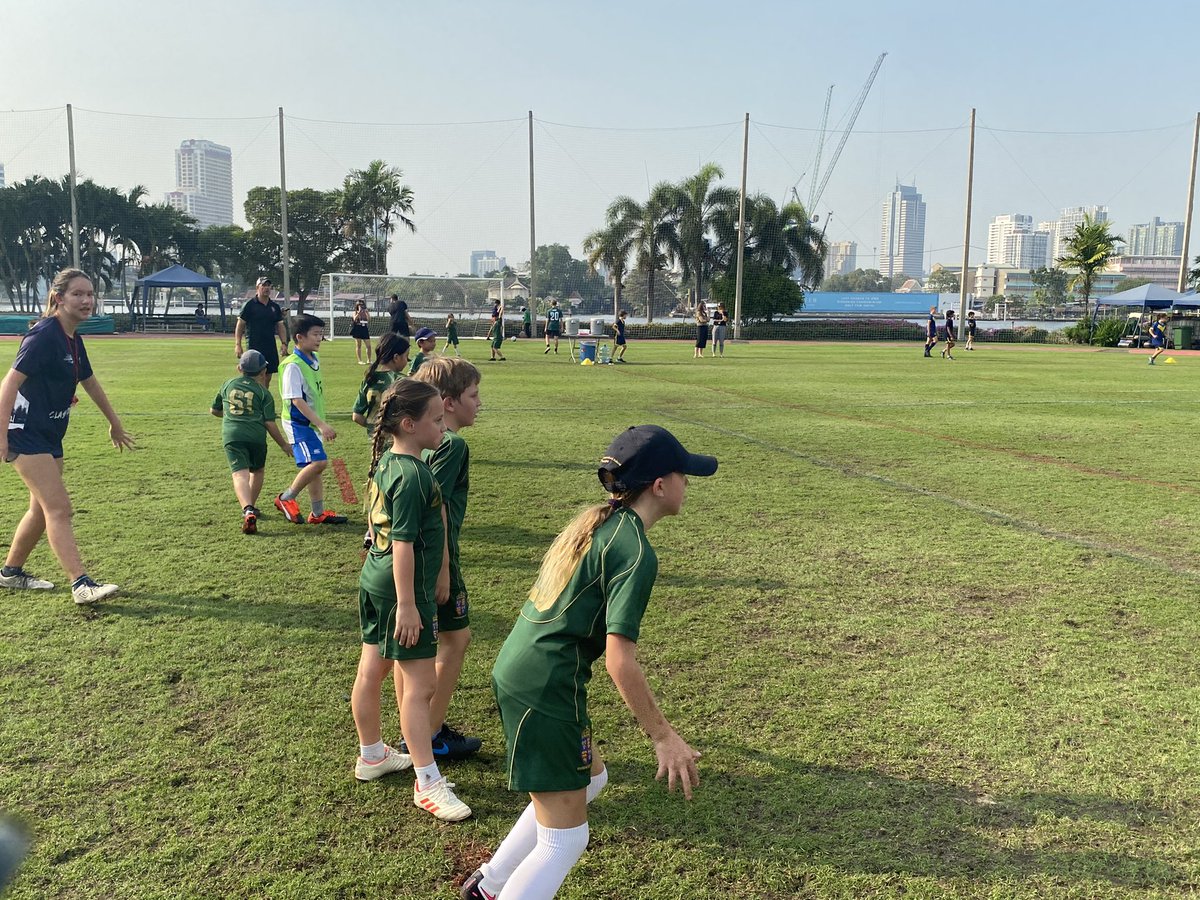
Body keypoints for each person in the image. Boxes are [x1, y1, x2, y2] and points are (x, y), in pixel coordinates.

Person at [461, 425, 716, 900]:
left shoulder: (603, 522)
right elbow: (622, 661)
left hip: (523, 670)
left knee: (592, 777)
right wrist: (664, 736)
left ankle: (490, 884)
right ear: (659, 486)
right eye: (683, 474)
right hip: (545, 685)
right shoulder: (636, 550)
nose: (688, 483)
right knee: (566, 840)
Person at [352, 378, 473, 822]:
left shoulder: (389, 461)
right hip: (400, 590)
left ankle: (372, 755)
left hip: (376, 580)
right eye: (436, 420)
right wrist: (408, 604)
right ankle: (428, 783)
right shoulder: (413, 473)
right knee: (419, 688)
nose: (443, 428)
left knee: (373, 669)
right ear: (409, 423)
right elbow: (403, 543)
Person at [0, 268, 136, 605]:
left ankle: (10, 573)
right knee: (59, 508)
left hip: (49, 434)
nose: (87, 300)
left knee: (41, 509)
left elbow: (89, 382)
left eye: (90, 294)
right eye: (78, 294)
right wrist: (1, 435)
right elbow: (9, 384)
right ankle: (81, 584)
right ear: (59, 298)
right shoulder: (44, 335)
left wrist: (114, 423)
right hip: (25, 433)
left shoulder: (72, 337)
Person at [408, 357, 484, 760]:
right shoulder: (452, 444)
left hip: (417, 557)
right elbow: (429, 504)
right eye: (473, 395)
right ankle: (429, 732)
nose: (479, 403)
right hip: (439, 558)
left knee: (415, 653)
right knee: (456, 640)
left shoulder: (421, 441)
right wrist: (441, 570)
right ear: (449, 403)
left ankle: (418, 728)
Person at [273, 314, 348, 526]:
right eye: (315, 334)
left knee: (316, 467)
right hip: (299, 424)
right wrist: (322, 425)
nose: (319, 339)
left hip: (311, 423)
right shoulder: (292, 366)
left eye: (321, 334)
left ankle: (317, 513)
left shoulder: (313, 360)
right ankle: (285, 497)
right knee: (319, 462)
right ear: (299, 337)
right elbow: (296, 400)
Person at [211, 350, 293, 534]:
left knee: (239, 475)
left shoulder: (228, 384)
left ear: (239, 368)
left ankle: (247, 509)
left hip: (232, 436)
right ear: (264, 371)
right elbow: (269, 423)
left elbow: (214, 410)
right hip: (256, 437)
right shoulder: (264, 394)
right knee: (257, 471)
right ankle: (251, 507)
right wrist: (283, 444)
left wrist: (231, 415)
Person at [235, 277, 289, 387]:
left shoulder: (274, 307)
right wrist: (238, 345)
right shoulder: (249, 305)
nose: (267, 288)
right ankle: (254, 398)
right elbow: (240, 324)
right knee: (254, 376)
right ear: (257, 287)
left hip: (270, 345)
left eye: (268, 285)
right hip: (254, 345)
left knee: (267, 376)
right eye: (263, 285)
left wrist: (284, 343)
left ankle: (263, 399)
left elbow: (280, 326)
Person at [352, 333, 410, 435]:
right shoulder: (402, 381)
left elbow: (356, 416)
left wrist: (374, 428)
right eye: (406, 357)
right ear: (396, 357)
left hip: (375, 441)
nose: (407, 361)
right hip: (397, 441)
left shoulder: (369, 378)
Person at [350, 300, 373, 365]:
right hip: (357, 328)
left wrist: (367, 312)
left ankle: (369, 360)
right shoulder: (355, 312)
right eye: (360, 305)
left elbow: (369, 319)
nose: (361, 306)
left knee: (368, 346)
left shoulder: (365, 311)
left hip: (364, 328)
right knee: (358, 345)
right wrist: (359, 312)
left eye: (362, 305)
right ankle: (360, 360)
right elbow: (354, 319)